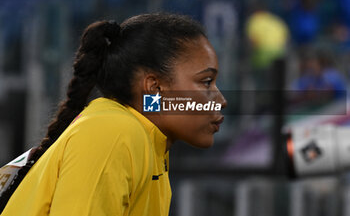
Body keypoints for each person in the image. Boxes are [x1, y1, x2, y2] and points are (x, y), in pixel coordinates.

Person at [0, 13, 227, 216]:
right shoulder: (114, 132)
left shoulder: (150, 145)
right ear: (154, 88)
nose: (221, 101)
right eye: (206, 82)